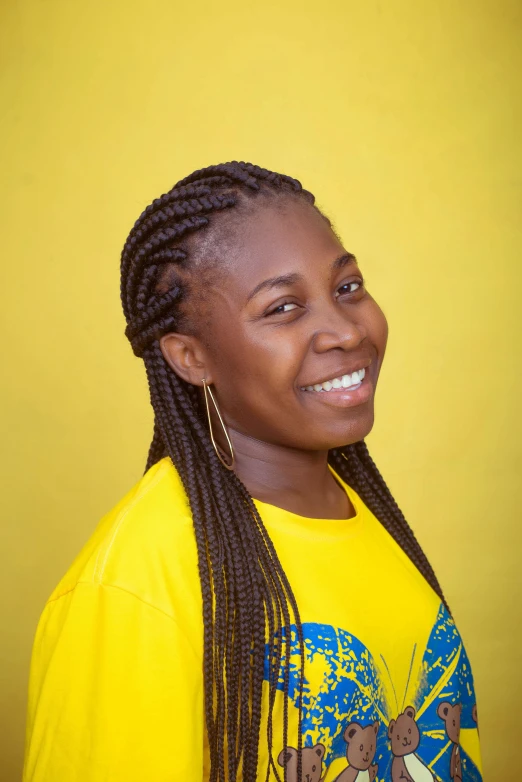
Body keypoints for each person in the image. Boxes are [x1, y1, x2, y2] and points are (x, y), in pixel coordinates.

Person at [23, 162, 483, 782]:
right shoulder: (136, 585)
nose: (346, 331)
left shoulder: (363, 512)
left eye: (347, 287)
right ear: (192, 357)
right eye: (283, 308)